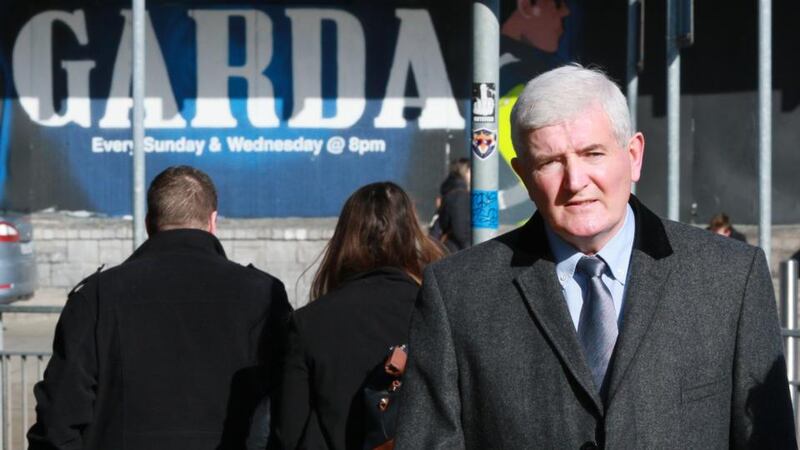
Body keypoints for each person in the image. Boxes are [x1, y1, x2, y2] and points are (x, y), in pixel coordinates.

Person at [394, 65, 796, 448]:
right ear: (523, 175)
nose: (575, 181)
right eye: (551, 162)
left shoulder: (730, 278)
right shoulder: (459, 292)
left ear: (634, 155)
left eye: (593, 154)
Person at [28, 166, 292, 450]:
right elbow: (288, 409)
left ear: (148, 223)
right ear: (213, 221)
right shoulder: (263, 293)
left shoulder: (97, 296)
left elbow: (59, 421)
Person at [277, 182, 444, 450]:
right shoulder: (437, 312)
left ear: (345, 237)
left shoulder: (309, 322)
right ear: (410, 234)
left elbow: (289, 431)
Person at [431, 158, 471, 252]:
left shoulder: (451, 191)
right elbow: (460, 231)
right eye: (471, 170)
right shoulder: (460, 195)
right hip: (457, 251)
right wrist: (472, 251)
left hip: (450, 249)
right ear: (466, 172)